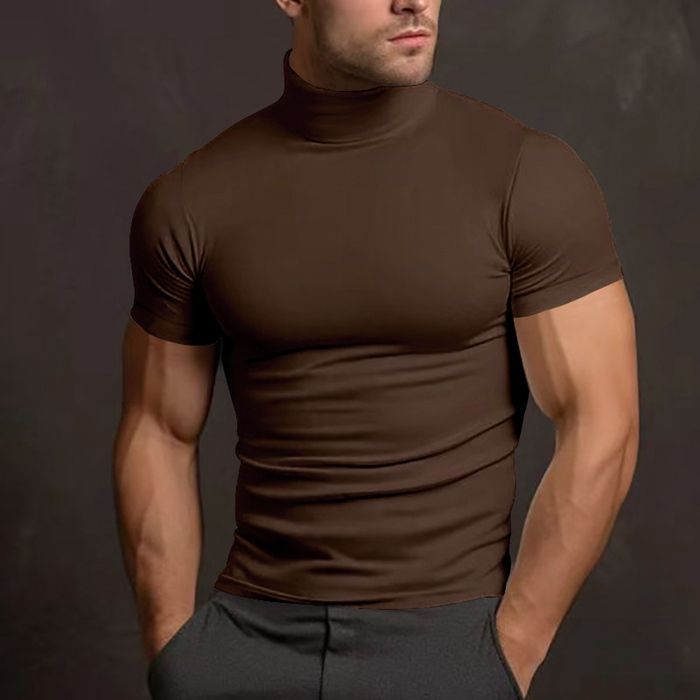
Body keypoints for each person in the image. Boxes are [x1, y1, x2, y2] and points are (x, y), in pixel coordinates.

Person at [112, 0, 639, 698]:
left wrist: (510, 651)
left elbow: (603, 422)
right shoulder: (191, 200)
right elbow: (159, 428)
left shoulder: (526, 175)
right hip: (246, 641)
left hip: (448, 646)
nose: (413, 0)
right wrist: (174, 651)